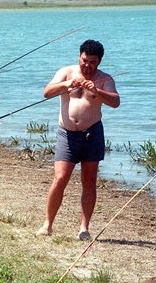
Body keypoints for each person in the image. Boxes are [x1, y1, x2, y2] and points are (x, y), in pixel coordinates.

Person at [36, 39, 120, 241]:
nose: (87, 65)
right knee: (60, 178)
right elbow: (46, 92)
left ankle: (84, 228)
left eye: (92, 62)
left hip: (92, 133)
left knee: (89, 181)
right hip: (67, 133)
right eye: (84, 60)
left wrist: (96, 91)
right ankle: (47, 224)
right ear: (79, 57)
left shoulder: (105, 79)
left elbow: (116, 102)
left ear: (99, 62)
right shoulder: (66, 72)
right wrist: (66, 84)